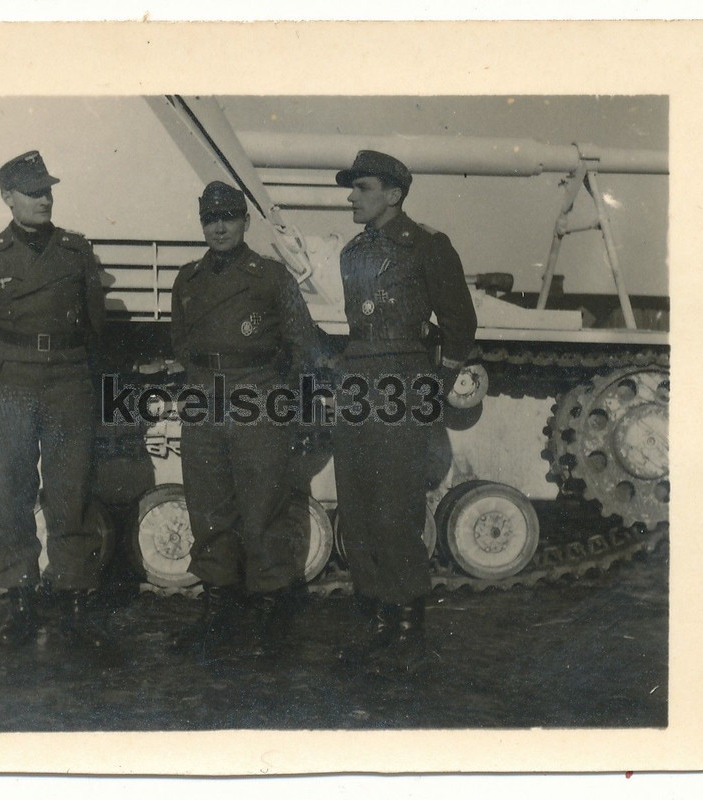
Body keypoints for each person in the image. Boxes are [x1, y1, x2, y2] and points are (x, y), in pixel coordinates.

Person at [0, 151, 108, 647]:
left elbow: (95, 322)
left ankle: (74, 598)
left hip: (66, 381)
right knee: (14, 492)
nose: (44, 199)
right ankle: (20, 597)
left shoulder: (76, 252)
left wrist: (70, 365)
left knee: (70, 491)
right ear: (8, 197)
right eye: (33, 191)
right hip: (11, 383)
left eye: (48, 190)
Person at [332, 150, 477, 674]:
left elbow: (460, 324)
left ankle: (409, 626)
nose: (352, 196)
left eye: (362, 187)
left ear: (393, 194)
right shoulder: (352, 253)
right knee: (357, 503)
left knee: (395, 506)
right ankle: (374, 620)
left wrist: (430, 390)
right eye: (352, 188)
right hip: (357, 381)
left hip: (403, 383)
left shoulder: (427, 247)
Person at [170, 180, 318, 661]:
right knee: (209, 508)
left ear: (245, 221)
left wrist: (283, 405)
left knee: (264, 508)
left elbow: (301, 347)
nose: (219, 227)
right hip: (204, 400)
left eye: (228, 217)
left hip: (257, 397)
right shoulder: (187, 280)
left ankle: (272, 615)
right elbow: (181, 344)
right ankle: (219, 612)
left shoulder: (270, 277)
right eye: (210, 219)